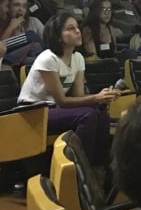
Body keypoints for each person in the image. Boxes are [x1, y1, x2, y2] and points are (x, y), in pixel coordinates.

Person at [17, 12, 120, 169]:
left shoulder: (77, 58)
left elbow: (78, 96)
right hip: (33, 111)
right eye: (71, 29)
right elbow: (63, 101)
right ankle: (80, 168)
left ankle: (99, 166)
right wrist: (96, 97)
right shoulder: (48, 58)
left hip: (54, 108)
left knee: (100, 112)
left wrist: (103, 97)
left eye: (77, 27)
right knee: (87, 115)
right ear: (58, 36)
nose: (78, 31)